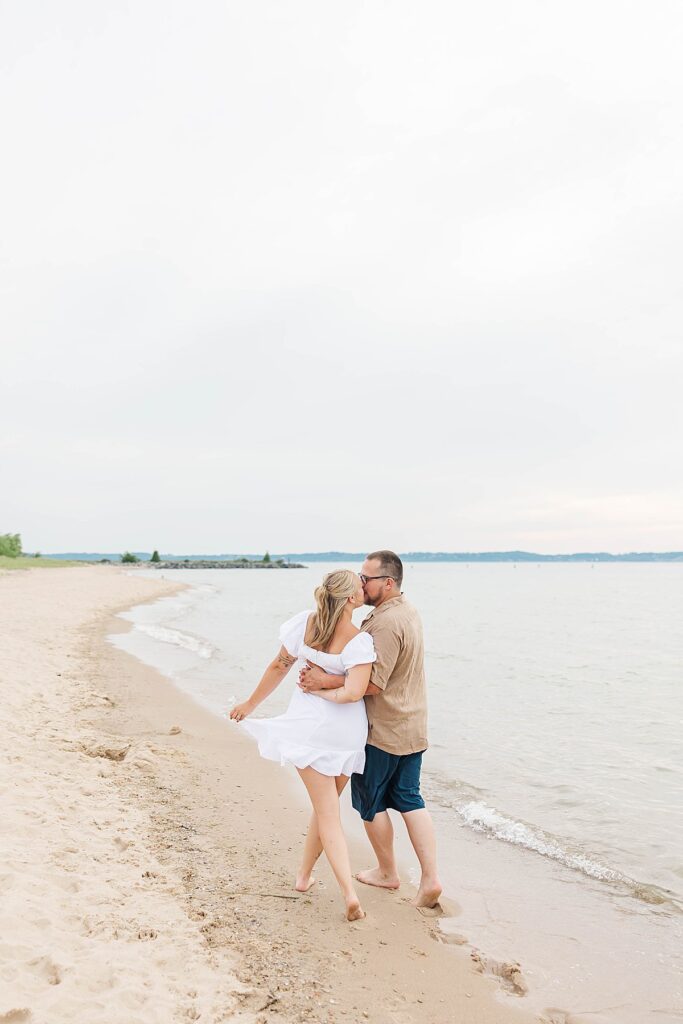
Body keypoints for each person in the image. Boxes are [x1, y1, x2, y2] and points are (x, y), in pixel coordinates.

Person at [298, 550, 442, 911]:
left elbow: (371, 685)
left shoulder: (382, 624)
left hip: (384, 728)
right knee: (410, 798)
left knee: (369, 803)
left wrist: (322, 680)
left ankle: (387, 872)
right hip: (413, 723)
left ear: (388, 583)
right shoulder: (408, 611)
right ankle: (430, 878)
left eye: (367, 578)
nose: (361, 584)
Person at [229, 569, 376, 921]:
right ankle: (304, 876)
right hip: (347, 734)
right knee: (325, 810)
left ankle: (349, 895)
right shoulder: (359, 641)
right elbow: (354, 692)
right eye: (360, 583)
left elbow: (279, 666)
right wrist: (328, 687)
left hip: (311, 730)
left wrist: (252, 704)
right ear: (353, 600)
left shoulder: (304, 625)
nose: (363, 585)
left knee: (326, 812)